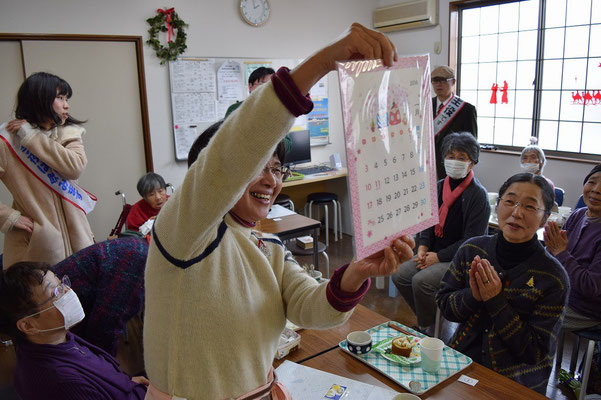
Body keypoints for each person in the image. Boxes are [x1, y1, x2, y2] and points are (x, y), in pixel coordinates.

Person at [143, 23, 416, 400]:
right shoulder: (184, 231)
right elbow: (230, 156)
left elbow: (309, 308)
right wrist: (322, 63)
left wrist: (357, 272)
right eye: (259, 166)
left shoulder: (265, 244)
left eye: (277, 168)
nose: (272, 180)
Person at [436, 173, 569, 394]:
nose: (516, 213)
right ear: (498, 206)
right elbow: (445, 305)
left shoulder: (552, 278)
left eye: (529, 206)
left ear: (545, 218)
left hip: (515, 381)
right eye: (509, 201)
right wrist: (474, 296)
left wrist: (496, 301)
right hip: (460, 362)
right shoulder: (472, 250)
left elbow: (534, 352)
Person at [0, 262, 148, 399]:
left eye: (61, 282)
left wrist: (127, 382)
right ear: (29, 326)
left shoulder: (56, 338)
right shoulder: (62, 382)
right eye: (56, 292)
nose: (68, 290)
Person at [391, 132, 490, 331]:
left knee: (421, 282)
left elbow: (471, 241)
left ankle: (429, 327)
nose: (455, 161)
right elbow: (427, 222)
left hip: (461, 259)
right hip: (433, 252)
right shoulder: (438, 187)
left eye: (462, 158)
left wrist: (437, 257)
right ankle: (432, 317)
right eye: (450, 156)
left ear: (472, 163)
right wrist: (422, 248)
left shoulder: (478, 196)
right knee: (399, 274)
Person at [0, 72, 95, 268]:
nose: (66, 105)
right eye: (60, 98)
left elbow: (74, 168)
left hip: (80, 245)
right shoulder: (7, 142)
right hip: (34, 251)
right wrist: (9, 217)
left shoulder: (69, 134)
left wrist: (32, 137)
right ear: (39, 99)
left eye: (66, 99)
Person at [545, 164, 601, 330]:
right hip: (561, 292)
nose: (596, 190)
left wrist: (560, 252)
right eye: (592, 182)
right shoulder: (578, 214)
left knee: (524, 311)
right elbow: (553, 256)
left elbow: (592, 288)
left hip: (585, 309)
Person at [431, 66, 478, 180]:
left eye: (443, 80)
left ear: (453, 82)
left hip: (453, 164)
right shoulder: (425, 105)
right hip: (428, 163)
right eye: (435, 81)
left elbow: (471, 142)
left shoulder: (466, 109)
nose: (439, 84)